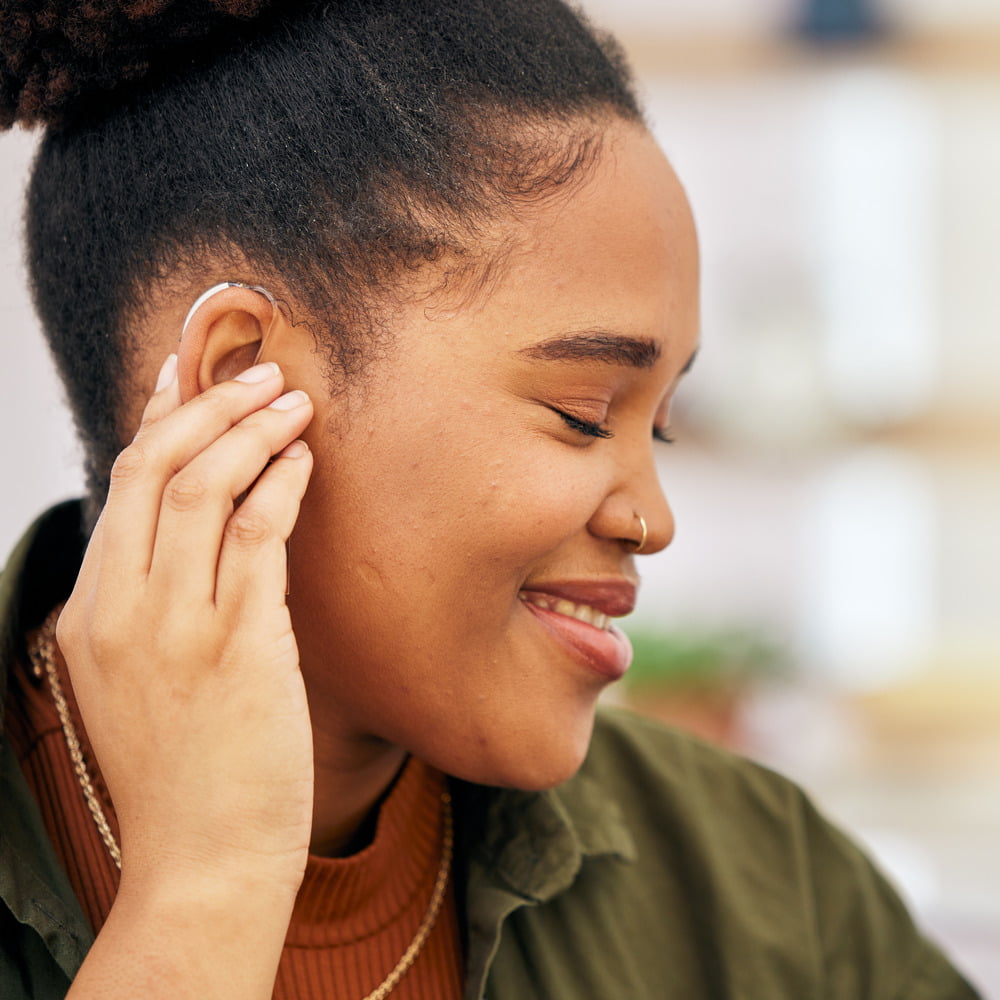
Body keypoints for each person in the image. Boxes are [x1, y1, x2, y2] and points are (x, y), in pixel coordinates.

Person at [0, 2, 981, 998]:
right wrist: (202, 893)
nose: (653, 518)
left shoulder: (758, 883)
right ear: (241, 380)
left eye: (663, 426)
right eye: (583, 412)